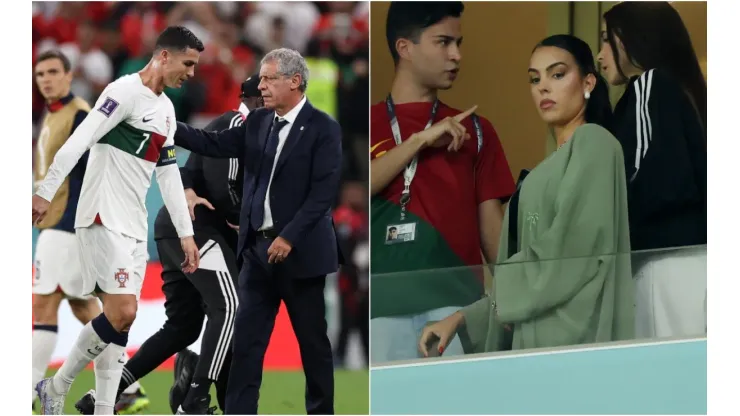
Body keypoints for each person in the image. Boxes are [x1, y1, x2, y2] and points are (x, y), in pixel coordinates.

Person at [419, 34, 634, 356]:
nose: (543, 87)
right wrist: (464, 317)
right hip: (536, 335)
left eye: (557, 74)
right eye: (535, 79)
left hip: (571, 341)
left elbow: (572, 249)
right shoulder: (553, 163)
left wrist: (499, 299)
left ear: (588, 81)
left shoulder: (594, 143)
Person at [31, 26, 204, 415]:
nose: (191, 73)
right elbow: (79, 140)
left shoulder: (166, 111)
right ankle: (57, 385)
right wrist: (46, 190)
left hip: (133, 224)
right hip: (100, 216)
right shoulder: (122, 92)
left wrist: (186, 235)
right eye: (187, 63)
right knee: (122, 311)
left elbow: (169, 175)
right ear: (163, 56)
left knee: (120, 325)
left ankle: (105, 408)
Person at [72, 75, 264, 416]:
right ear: (257, 100)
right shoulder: (238, 127)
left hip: (180, 231)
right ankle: (196, 399)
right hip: (196, 232)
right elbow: (224, 190)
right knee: (231, 306)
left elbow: (190, 172)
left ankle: (111, 390)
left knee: (183, 325)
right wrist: (250, 222)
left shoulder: (237, 129)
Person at [173, 48, 343, 415]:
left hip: (301, 257)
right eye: (261, 79)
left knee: (312, 346)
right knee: (246, 346)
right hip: (256, 255)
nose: (260, 86)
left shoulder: (323, 128)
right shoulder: (260, 122)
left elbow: (322, 194)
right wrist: (167, 126)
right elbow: (211, 144)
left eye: (268, 79)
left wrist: (289, 237)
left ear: (294, 82)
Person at [369, 1, 516, 364]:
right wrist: (419, 140)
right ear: (405, 48)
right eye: (443, 42)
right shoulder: (365, 122)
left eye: (459, 43)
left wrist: (514, 301)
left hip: (455, 309)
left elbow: (492, 237)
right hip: (379, 309)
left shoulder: (476, 131)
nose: (456, 55)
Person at [31, 49, 148, 415]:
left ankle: (28, 394)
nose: (46, 79)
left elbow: (90, 169)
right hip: (62, 224)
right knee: (89, 310)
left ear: (69, 75)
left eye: (53, 72)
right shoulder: (54, 114)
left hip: (66, 224)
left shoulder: (81, 112)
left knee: (44, 304)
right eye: (40, 74)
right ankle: (128, 386)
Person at [597, 1, 707, 339]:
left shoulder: (650, 84)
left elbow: (640, 170)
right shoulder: (687, 91)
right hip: (693, 260)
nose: (599, 54)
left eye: (605, 38)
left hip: (667, 263)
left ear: (632, 37)